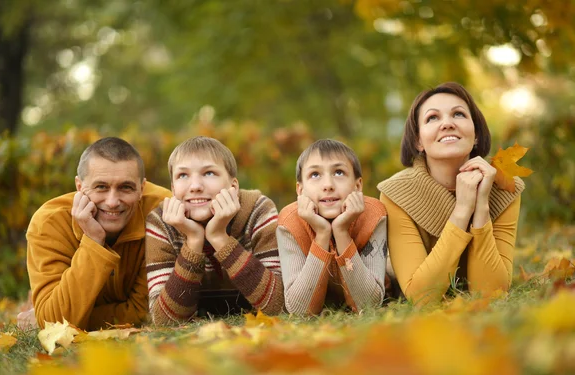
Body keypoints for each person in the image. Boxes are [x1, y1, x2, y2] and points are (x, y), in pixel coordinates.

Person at [378, 82, 524, 305]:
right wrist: (462, 210)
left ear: (475, 134)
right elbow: (421, 297)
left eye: (458, 114)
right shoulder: (396, 194)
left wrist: (481, 205)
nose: (447, 123)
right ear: (418, 141)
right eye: (432, 118)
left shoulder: (504, 187)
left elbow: (490, 293)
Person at [25, 137, 171, 330]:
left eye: (125, 187)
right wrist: (93, 241)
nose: (112, 201)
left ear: (141, 189)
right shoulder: (48, 223)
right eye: (101, 187)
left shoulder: (163, 212)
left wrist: (75, 319)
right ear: (79, 187)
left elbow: (146, 311)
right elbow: (54, 321)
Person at [145, 136, 283, 325]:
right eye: (182, 175)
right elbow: (165, 322)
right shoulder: (161, 222)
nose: (195, 187)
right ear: (173, 188)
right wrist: (193, 241)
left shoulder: (257, 210)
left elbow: (278, 306)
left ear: (233, 186)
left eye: (209, 173)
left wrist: (219, 238)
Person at [277, 139, 387, 315]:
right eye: (315, 175)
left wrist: (342, 232)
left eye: (339, 172)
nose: (328, 185)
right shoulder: (290, 222)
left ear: (357, 186)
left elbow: (369, 305)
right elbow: (299, 310)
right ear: (300, 190)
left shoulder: (373, 215)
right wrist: (322, 234)